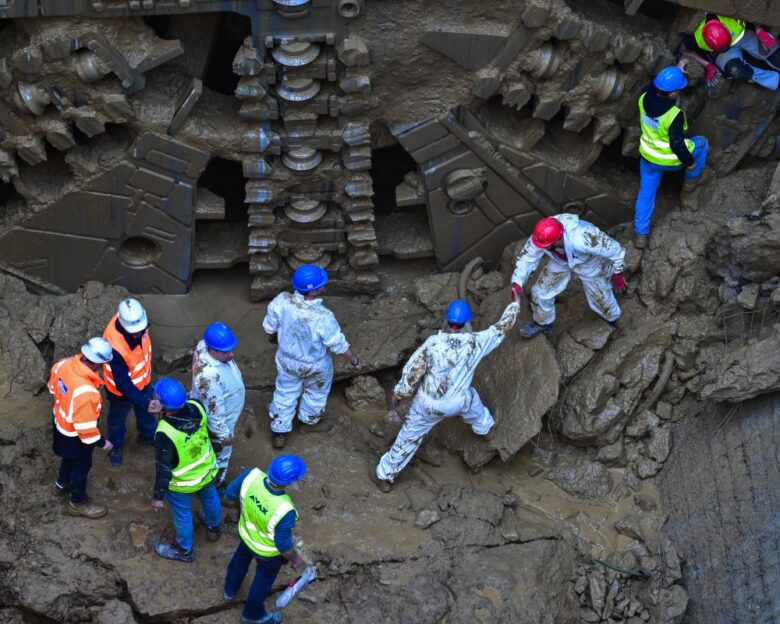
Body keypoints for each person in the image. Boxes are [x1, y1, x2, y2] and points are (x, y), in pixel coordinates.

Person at [371, 299, 519, 492]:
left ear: (447, 322)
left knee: (408, 438)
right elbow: (502, 327)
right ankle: (485, 427)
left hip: (426, 404)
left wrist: (399, 394)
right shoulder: (476, 342)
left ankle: (384, 477)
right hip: (455, 403)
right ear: (467, 323)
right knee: (471, 397)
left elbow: (412, 372)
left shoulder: (432, 344)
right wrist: (515, 304)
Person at [263, 264, 363, 449]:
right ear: (312, 292)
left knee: (285, 392)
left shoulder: (281, 301)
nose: (324, 287)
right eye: (321, 286)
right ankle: (309, 423)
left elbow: (270, 327)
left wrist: (274, 339)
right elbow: (338, 345)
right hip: (315, 365)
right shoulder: (323, 316)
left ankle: (279, 431)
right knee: (316, 393)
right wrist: (354, 360)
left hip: (286, 360)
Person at [223, 455, 308, 624]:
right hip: (267, 553)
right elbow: (283, 546)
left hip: (246, 536)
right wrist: (295, 559)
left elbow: (228, 496)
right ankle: (252, 615)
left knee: (239, 561)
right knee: (263, 581)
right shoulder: (285, 509)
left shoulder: (251, 475)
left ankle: (229, 591)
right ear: (290, 482)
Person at [511, 214, 626, 338]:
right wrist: (517, 283)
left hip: (589, 262)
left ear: (557, 240)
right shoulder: (541, 236)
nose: (540, 247)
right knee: (540, 292)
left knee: (601, 300)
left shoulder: (584, 238)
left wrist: (617, 273)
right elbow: (527, 259)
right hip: (560, 260)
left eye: (544, 246)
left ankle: (612, 319)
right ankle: (544, 323)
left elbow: (616, 250)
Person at [633, 66, 709, 246]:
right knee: (702, 143)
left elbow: (652, 86)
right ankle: (689, 188)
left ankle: (640, 235)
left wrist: (677, 70)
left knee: (645, 195)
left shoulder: (644, 98)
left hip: (648, 158)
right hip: (670, 161)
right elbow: (677, 145)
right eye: (678, 90)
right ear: (673, 93)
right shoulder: (674, 115)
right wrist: (689, 163)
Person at [151, 377, 222, 562]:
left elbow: (164, 468)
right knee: (210, 497)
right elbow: (183, 415)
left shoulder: (165, 432)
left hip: (183, 483)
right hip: (206, 470)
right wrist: (165, 411)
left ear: (162, 404)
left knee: (183, 514)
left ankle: (184, 550)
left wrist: (158, 496)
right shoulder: (197, 406)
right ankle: (214, 528)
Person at [49, 337, 115, 518]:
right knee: (81, 467)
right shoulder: (87, 392)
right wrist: (104, 443)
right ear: (97, 364)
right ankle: (77, 503)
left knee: (67, 459)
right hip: (75, 437)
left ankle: (60, 484)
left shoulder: (63, 364)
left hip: (60, 425)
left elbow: (53, 390)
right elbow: (86, 432)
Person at [102, 298, 160, 467]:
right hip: (120, 392)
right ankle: (116, 446)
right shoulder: (114, 345)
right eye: (135, 332)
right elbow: (123, 382)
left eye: (142, 330)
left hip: (143, 381)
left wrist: (145, 401)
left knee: (146, 415)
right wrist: (144, 402)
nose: (140, 334)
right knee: (117, 420)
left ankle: (148, 436)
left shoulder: (139, 324)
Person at [191, 322, 245, 490]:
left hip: (223, 409)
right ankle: (216, 484)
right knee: (221, 455)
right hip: (221, 424)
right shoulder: (209, 378)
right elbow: (214, 414)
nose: (232, 354)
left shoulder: (204, 346)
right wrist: (223, 435)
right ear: (212, 350)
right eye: (226, 351)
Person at [679, 14, 780, 90]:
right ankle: (776, 81)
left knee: (775, 53)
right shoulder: (695, 38)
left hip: (742, 35)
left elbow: (749, 11)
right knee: (735, 70)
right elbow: (684, 50)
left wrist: (759, 30)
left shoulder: (724, 13)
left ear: (724, 27)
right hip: (721, 54)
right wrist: (707, 65)